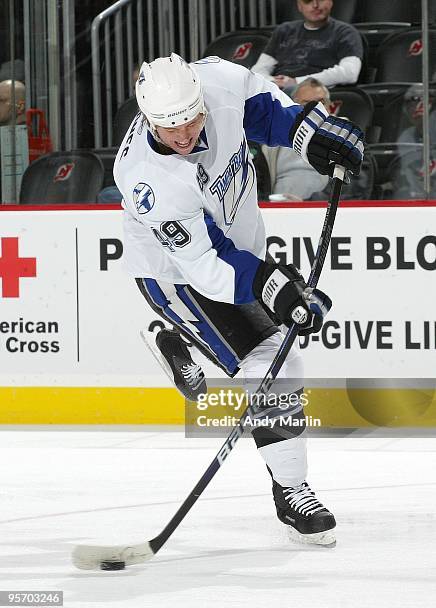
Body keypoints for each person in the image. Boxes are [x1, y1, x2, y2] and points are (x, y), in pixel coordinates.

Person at [113, 53, 363, 545]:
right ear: (147, 119)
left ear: (201, 99)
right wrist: (278, 288)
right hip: (178, 276)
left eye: (189, 120)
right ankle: (292, 492)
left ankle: (172, 336)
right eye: (168, 128)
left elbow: (270, 113)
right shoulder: (149, 181)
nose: (183, 136)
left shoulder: (221, 81)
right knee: (276, 359)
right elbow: (209, 266)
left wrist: (314, 136)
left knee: (278, 352)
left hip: (238, 248)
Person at [252, 0, 363, 92]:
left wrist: (297, 82)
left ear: (330, 2)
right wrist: (272, 81)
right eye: (307, 1)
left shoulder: (346, 32)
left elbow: (350, 73)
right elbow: (258, 70)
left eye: (320, 0)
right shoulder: (284, 30)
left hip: (318, 92)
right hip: (278, 91)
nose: (315, 5)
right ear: (299, 6)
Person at [262, 77, 331, 199]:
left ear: (329, 106)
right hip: (274, 208)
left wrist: (310, 204)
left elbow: (353, 185)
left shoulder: (347, 137)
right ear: (293, 106)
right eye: (307, 104)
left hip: (323, 209)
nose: (316, 109)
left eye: (321, 103)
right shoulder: (273, 135)